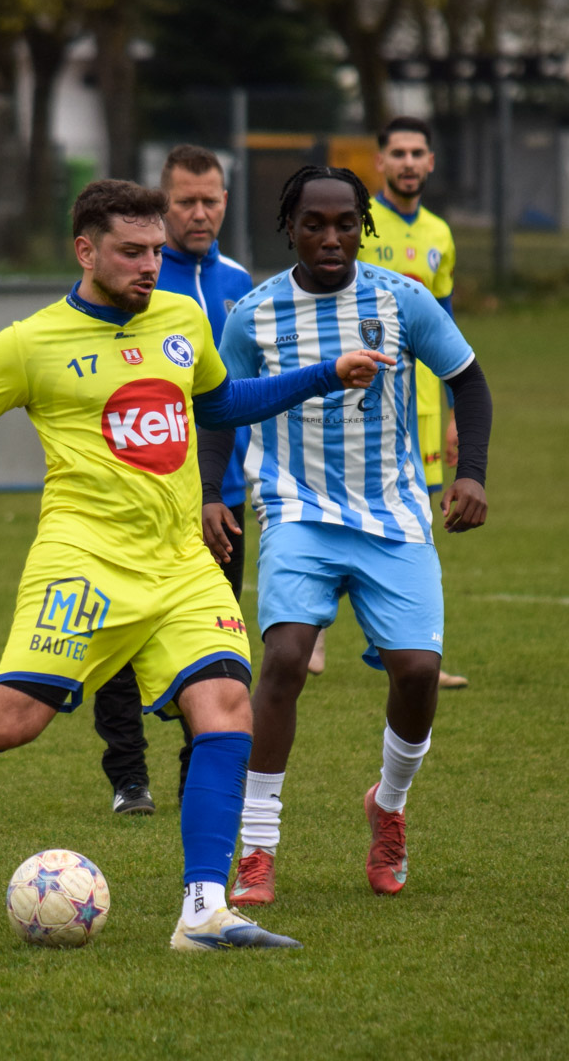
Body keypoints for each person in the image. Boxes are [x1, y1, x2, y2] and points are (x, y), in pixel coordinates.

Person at [0, 179, 393, 951]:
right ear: (85, 251)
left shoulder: (182, 317)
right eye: (131, 252)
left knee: (225, 709)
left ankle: (203, 912)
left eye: (156, 251)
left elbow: (221, 404)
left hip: (179, 563)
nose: (149, 266)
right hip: (83, 564)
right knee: (10, 724)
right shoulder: (29, 344)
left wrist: (325, 374)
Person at [204, 165, 493, 908]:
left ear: (362, 229)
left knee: (418, 671)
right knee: (284, 660)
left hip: (393, 513)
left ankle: (388, 807)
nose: (330, 238)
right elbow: (221, 405)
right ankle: (257, 850)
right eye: (314, 224)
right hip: (295, 509)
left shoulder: (401, 300)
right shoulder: (255, 314)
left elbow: (468, 379)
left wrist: (470, 473)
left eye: (343, 224)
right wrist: (208, 494)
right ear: (289, 228)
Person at [91, 145, 254, 817]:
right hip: (138, 497)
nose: (199, 213)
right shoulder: (132, 280)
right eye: (185, 201)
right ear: (164, 204)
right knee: (117, 645)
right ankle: (129, 777)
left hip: (223, 496)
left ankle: (196, 773)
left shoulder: (240, 283)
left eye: (211, 200)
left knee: (214, 646)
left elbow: (241, 389)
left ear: (226, 202)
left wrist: (224, 488)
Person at [361, 114, 468, 689]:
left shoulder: (439, 234)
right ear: (380, 161)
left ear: (430, 162)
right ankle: (314, 628)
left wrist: (454, 412)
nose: (407, 162)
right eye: (397, 152)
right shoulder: (357, 222)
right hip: (361, 394)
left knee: (415, 522)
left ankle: (408, 648)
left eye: (416, 153)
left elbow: (446, 328)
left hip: (421, 403)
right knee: (345, 503)